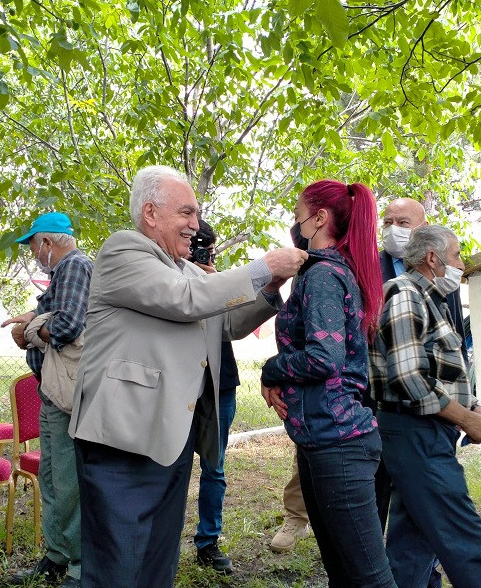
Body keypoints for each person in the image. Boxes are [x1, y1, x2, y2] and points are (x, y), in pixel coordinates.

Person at [68, 165, 306, 587]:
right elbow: (185, 301)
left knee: (158, 559)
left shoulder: (189, 270)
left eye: (196, 214)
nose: (196, 225)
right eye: (186, 213)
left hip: (171, 433)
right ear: (151, 213)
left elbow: (228, 323)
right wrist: (262, 266)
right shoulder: (123, 251)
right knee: (118, 562)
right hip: (122, 434)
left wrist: (271, 288)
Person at [270, 197, 467, 571]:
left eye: (403, 221)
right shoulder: (362, 266)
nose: (395, 228)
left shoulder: (442, 272)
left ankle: (418, 574)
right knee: (361, 536)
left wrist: (464, 405)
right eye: (388, 220)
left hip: (407, 416)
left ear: (422, 226)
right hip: (361, 407)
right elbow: (334, 345)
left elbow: (452, 346)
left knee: (411, 521)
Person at [261, 179, 396, 587]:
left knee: (370, 578)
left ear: (318, 218)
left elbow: (324, 357)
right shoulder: (324, 272)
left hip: (340, 443)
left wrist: (272, 368)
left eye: (297, 214)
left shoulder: (322, 275)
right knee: (344, 572)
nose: (293, 222)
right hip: (321, 440)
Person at [369, 224, 481, 588]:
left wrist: (474, 407)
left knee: (412, 541)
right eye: (458, 256)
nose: (462, 264)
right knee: (464, 537)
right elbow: (410, 378)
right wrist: (466, 420)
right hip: (415, 431)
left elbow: (442, 371)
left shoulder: (428, 299)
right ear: (433, 258)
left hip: (426, 430)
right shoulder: (404, 294)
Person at [1, 212, 92, 588]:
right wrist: (36, 317)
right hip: (53, 390)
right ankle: (56, 555)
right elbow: (57, 315)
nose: (35, 255)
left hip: (68, 391)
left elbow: (68, 324)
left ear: (47, 243)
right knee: (52, 476)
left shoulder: (74, 266)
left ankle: (78, 565)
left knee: (68, 480)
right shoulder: (63, 272)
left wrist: (31, 328)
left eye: (34, 247)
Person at [188, 219, 240, 574]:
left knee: (214, 467)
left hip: (219, 385)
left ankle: (208, 541)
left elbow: (236, 324)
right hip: (178, 385)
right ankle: (157, 537)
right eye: (195, 244)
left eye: (207, 246)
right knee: (167, 467)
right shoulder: (163, 276)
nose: (201, 252)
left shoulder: (220, 281)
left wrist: (214, 280)